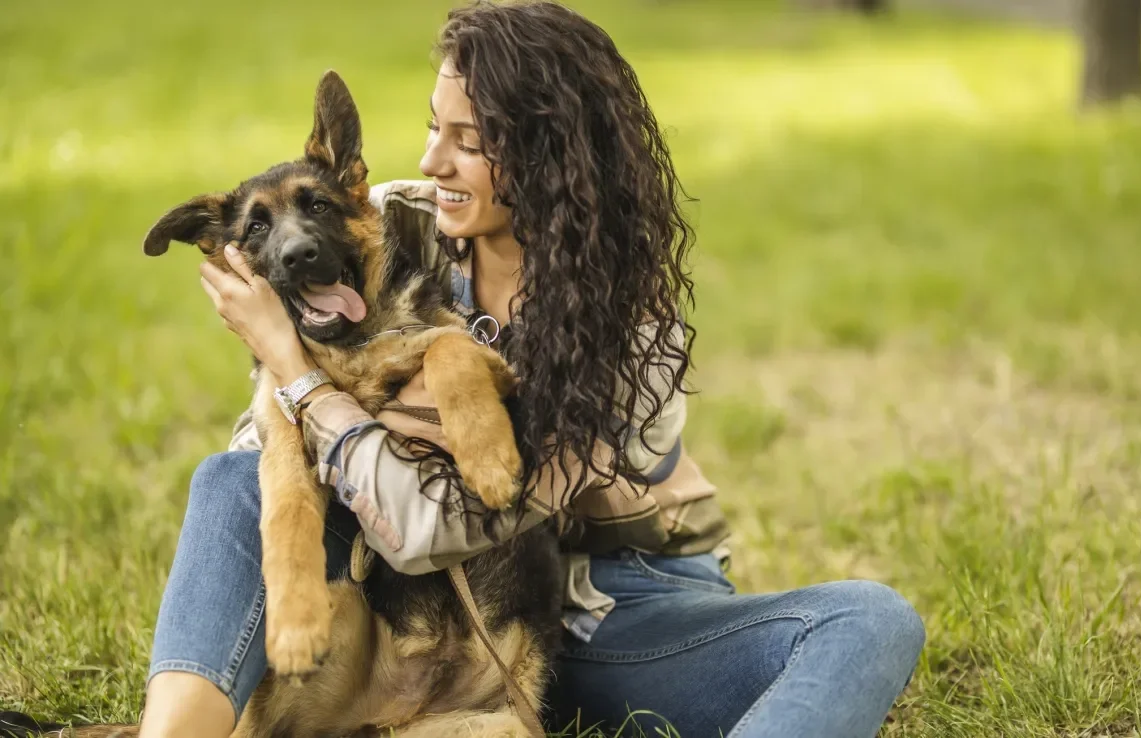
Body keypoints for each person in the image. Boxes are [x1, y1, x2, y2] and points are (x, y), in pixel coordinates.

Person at [140, 2, 926, 737]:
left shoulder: (627, 326)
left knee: (870, 620)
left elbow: (440, 529)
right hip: (409, 604)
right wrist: (284, 374)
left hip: (604, 607)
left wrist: (299, 372)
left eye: (468, 141)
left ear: (549, 152)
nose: (430, 159)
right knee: (235, 477)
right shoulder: (393, 223)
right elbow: (276, 444)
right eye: (430, 128)